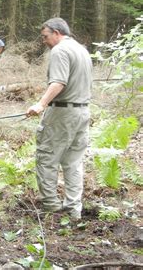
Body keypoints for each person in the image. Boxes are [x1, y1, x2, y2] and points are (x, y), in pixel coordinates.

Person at [26, 17, 92, 220]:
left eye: (45, 36)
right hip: (82, 112)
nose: (44, 41)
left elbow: (58, 82)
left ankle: (52, 208)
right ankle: (73, 210)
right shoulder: (82, 50)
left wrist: (40, 104)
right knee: (73, 163)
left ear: (57, 33)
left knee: (46, 159)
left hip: (62, 114)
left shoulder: (60, 51)